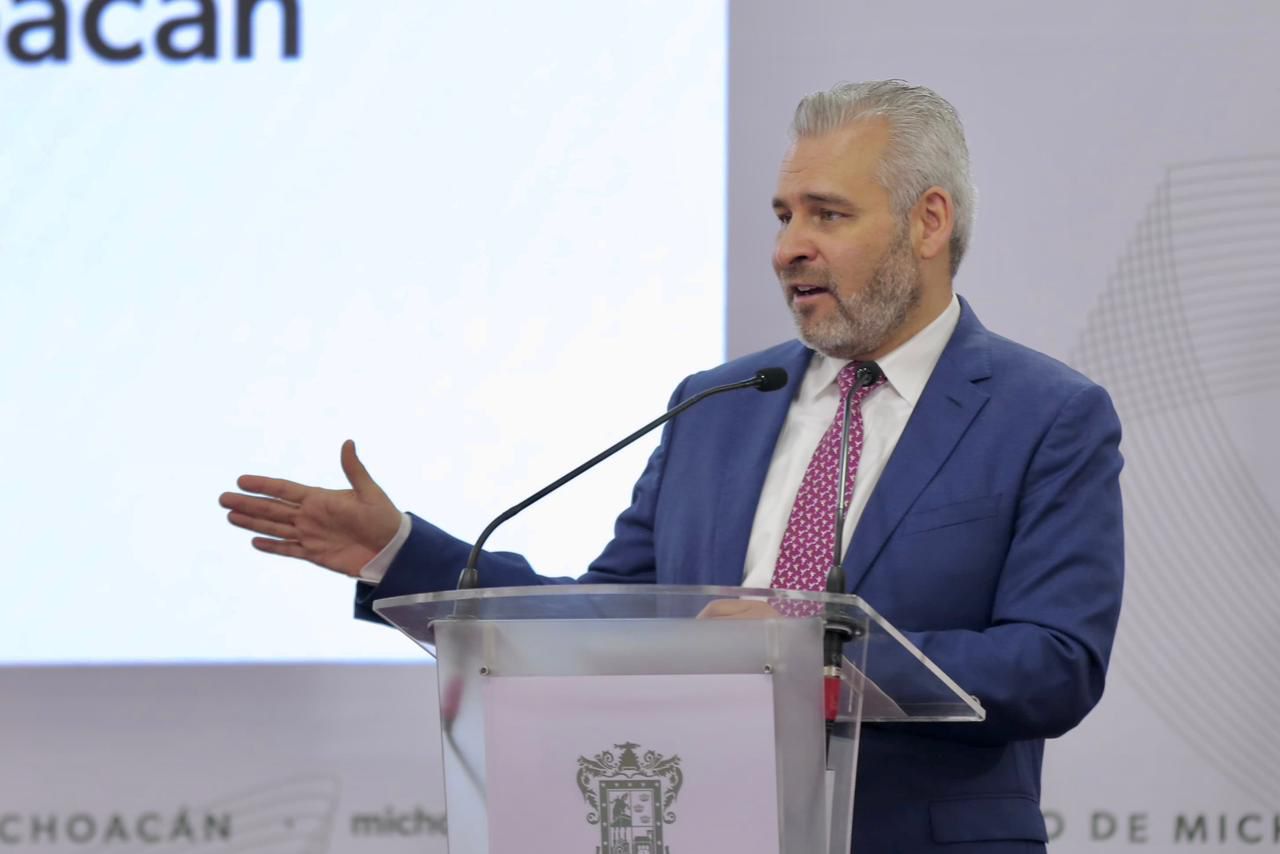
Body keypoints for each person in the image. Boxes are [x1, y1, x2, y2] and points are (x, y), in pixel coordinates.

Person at [221, 80, 1123, 852]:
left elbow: (1055, 663)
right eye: (784, 215)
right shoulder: (717, 406)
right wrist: (400, 554)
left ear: (929, 221)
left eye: (827, 214)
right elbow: (606, 617)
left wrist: (814, 649)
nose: (788, 247)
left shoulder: (1045, 416)